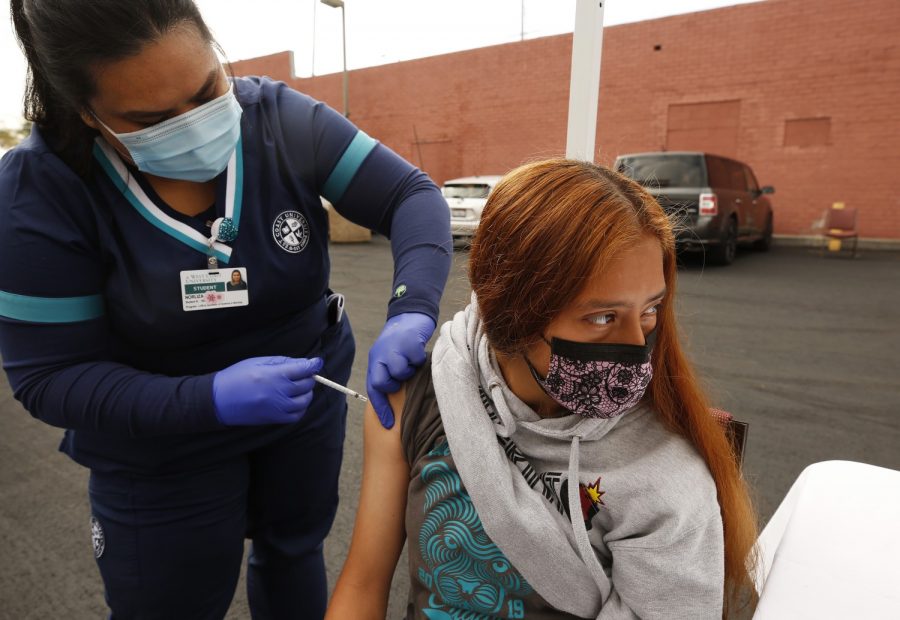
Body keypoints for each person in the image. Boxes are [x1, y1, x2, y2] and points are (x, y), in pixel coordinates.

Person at [0, 1, 450, 618]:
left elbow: (409, 195)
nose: (195, 122)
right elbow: (49, 377)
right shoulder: (41, 191)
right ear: (85, 111)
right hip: (157, 442)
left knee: (294, 552)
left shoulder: (278, 119)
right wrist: (205, 399)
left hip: (301, 408)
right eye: (151, 118)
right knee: (171, 601)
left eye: (207, 89)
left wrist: (412, 310)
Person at [326, 159, 759, 619]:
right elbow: (364, 584)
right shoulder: (421, 399)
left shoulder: (667, 479)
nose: (638, 348)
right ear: (509, 312)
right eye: (601, 317)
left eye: (650, 309)